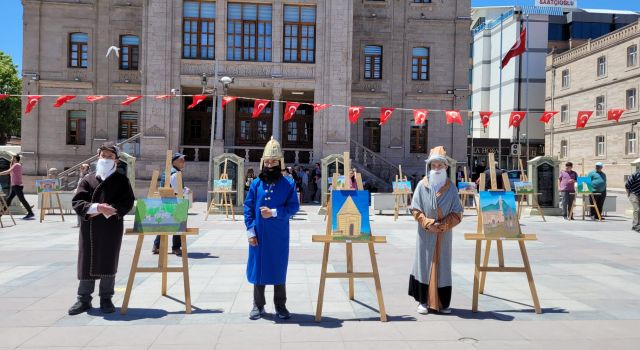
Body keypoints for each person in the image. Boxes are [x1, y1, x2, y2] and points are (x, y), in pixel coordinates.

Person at [68, 142, 135, 315]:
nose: (106, 159)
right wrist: (96, 208)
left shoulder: (121, 180)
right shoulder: (88, 179)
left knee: (108, 260)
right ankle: (83, 299)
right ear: (98, 157)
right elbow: (77, 202)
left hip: (111, 227)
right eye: (103, 155)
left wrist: (110, 210)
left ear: (116, 161)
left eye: (110, 156)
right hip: (89, 227)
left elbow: (127, 202)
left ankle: (106, 298)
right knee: (86, 261)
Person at [244, 137, 300, 320]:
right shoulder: (255, 184)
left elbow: (293, 208)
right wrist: (250, 232)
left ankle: (280, 305)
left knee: (278, 269)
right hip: (259, 234)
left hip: (278, 236)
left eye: (273, 161)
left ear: (279, 162)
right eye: (267, 161)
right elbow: (248, 208)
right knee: (258, 269)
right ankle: (258, 305)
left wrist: (274, 212)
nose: (269, 165)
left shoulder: (288, 184)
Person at [408, 146, 463, 315]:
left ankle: (443, 303)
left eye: (440, 165)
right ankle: (423, 301)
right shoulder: (421, 186)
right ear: (430, 167)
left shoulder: (452, 188)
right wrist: (427, 223)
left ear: (446, 167)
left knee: (443, 267)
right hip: (426, 234)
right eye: (434, 166)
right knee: (424, 265)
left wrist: (444, 225)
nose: (437, 169)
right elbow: (415, 209)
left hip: (444, 235)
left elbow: (458, 212)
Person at [152, 152, 190, 256]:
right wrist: (185, 191)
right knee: (177, 225)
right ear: (174, 161)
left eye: (183, 159)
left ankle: (157, 246)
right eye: (181, 160)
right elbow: (177, 190)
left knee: (164, 224)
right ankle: (176, 247)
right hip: (174, 201)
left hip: (165, 200)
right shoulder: (175, 173)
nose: (183, 162)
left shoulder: (170, 171)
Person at [0, 154, 35, 220]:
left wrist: (0, 173)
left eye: (13, 158)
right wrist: (11, 162)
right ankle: (1, 213)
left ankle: (30, 212)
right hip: (15, 186)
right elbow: (10, 173)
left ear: (15, 159)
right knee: (9, 200)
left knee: (22, 200)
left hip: (17, 186)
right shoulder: (15, 165)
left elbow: (8, 171)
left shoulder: (17, 165)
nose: (11, 159)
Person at [73, 164, 91, 228]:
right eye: (81, 168)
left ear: (87, 169)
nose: (81, 169)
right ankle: (79, 223)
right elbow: (79, 185)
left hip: (85, 195)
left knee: (84, 208)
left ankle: (83, 223)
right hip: (79, 195)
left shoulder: (88, 176)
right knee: (79, 208)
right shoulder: (81, 176)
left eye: (83, 168)